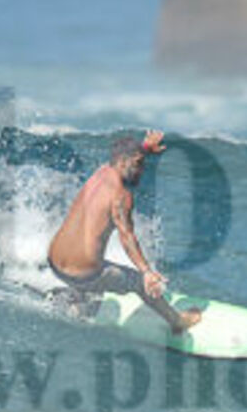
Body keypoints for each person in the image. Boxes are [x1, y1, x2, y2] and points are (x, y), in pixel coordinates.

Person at [47, 130, 203, 334]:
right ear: (122, 162)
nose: (142, 170)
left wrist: (145, 149)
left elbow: (128, 157)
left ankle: (75, 297)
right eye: (138, 165)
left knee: (90, 259)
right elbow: (127, 237)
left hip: (54, 262)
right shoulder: (121, 195)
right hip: (83, 276)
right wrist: (146, 272)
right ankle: (177, 322)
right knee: (139, 283)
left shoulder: (101, 172)